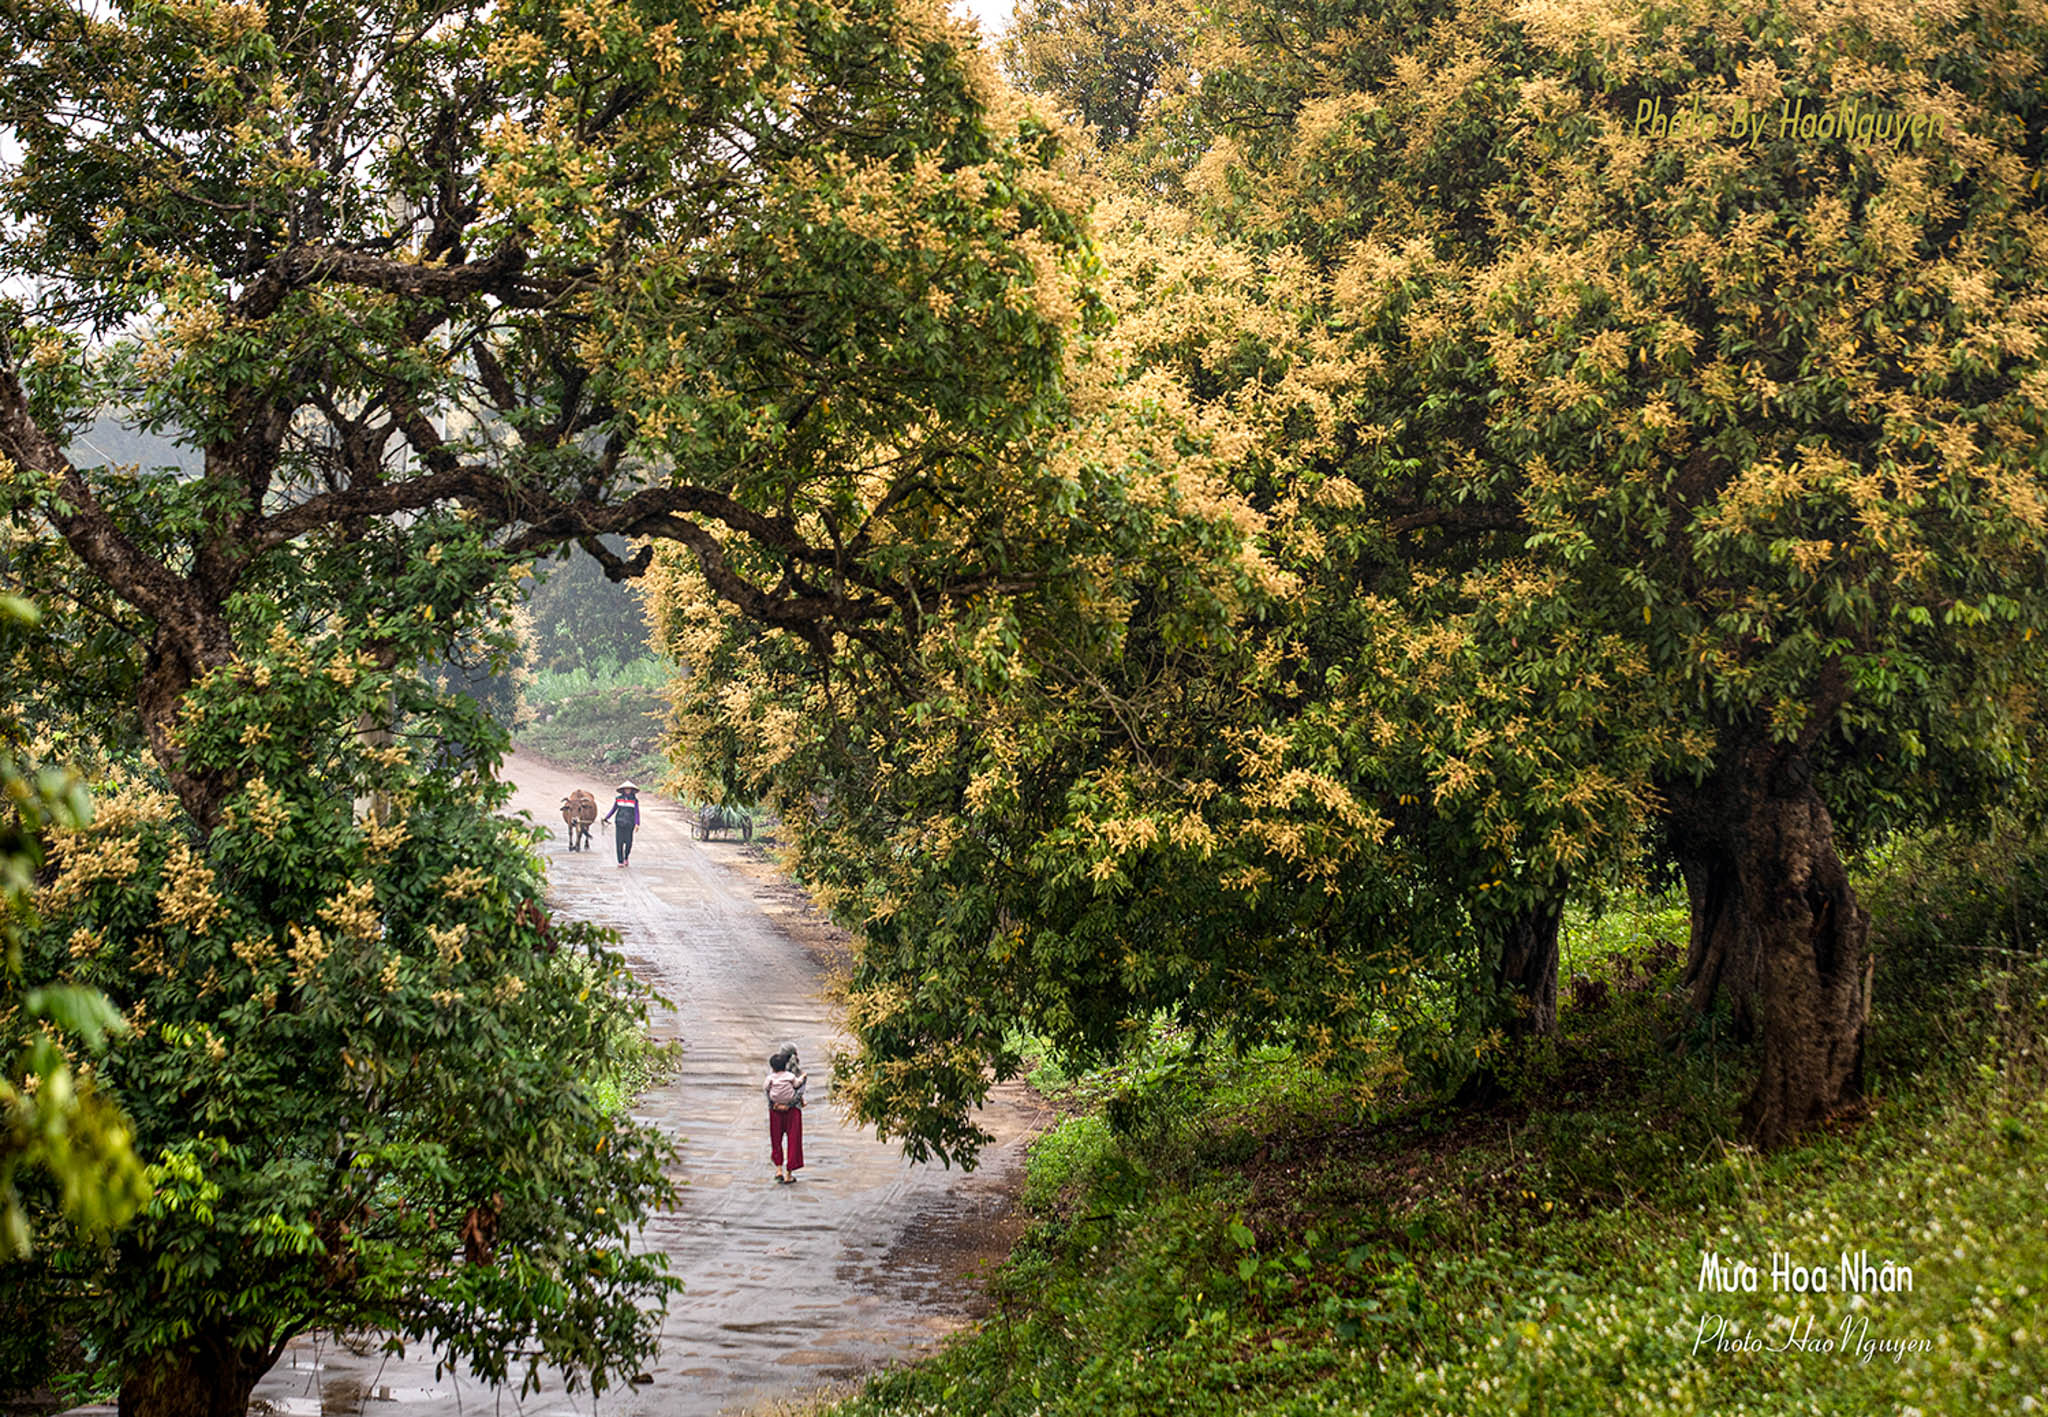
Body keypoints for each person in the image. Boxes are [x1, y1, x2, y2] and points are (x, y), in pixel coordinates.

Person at [764, 1045, 807, 1183]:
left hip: (775, 1110)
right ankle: (789, 1174)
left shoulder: (771, 1075)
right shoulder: (796, 1074)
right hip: (793, 1111)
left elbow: (767, 1091)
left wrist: (776, 1105)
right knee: (794, 1141)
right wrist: (788, 1105)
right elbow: (799, 1091)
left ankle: (778, 1170)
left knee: (776, 1139)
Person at [603, 781, 640, 867]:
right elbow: (613, 809)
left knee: (628, 842)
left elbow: (636, 812)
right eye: (626, 789)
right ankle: (620, 861)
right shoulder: (618, 799)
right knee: (619, 842)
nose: (627, 790)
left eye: (629, 789)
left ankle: (626, 857)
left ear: (631, 790)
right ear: (623, 790)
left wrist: (637, 823)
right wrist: (606, 817)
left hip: (629, 823)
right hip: (619, 823)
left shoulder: (634, 801)